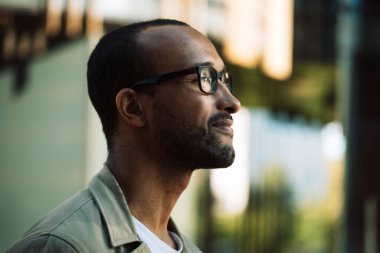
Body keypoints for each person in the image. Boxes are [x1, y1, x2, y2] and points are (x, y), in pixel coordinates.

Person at [6, 19, 241, 253]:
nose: (232, 102)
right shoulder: (65, 246)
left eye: (223, 80)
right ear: (133, 107)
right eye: (205, 78)